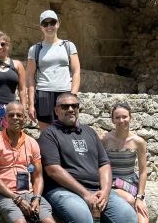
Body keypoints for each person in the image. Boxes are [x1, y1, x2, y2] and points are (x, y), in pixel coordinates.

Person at [38, 92, 137, 223]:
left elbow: (104, 164)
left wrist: (105, 192)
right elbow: (53, 170)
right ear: (56, 110)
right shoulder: (49, 134)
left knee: (128, 217)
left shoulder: (89, 132)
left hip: (96, 190)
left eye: (75, 106)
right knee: (83, 218)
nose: (71, 109)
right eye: (65, 106)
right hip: (64, 190)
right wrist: (85, 194)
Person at [0, 101, 55, 223]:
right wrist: (17, 199)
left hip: (29, 192)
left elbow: (38, 177)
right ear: (5, 118)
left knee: (48, 220)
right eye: (11, 115)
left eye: (19, 115)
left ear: (25, 118)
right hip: (4, 194)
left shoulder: (32, 142)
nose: (15, 118)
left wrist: (36, 198)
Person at [26, 10, 80, 131]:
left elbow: (76, 72)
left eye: (52, 22)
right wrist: (30, 104)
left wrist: (73, 96)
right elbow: (30, 76)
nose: (49, 26)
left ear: (58, 24)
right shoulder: (35, 49)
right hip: (43, 93)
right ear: (41, 27)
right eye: (45, 24)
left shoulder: (68, 45)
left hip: (65, 92)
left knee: (68, 130)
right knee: (46, 133)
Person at [100, 102, 149, 223]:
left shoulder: (139, 142)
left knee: (143, 219)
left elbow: (143, 172)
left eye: (125, 117)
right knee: (129, 200)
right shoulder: (104, 139)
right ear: (112, 120)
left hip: (131, 182)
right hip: (111, 182)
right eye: (117, 117)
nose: (121, 120)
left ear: (130, 117)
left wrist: (140, 197)